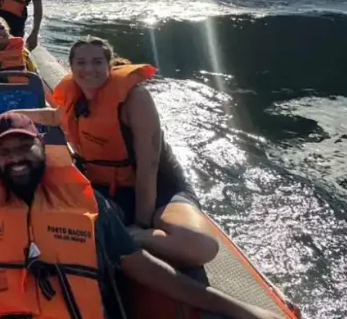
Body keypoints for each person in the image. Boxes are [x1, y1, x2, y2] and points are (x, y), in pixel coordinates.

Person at [0, 113, 283, 319]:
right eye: (4, 152)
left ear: (43, 147)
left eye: (24, 148)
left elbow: (147, 270)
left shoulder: (90, 205)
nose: (15, 159)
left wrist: (237, 308)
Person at [13, 36, 220, 267]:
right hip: (108, 189)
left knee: (201, 246)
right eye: (81, 63)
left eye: (97, 62)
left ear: (109, 66)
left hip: (160, 189)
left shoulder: (135, 98)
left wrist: (142, 224)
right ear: (71, 67)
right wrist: (10, 116)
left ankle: (134, 238)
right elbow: (51, 116)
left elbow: (148, 167)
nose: (89, 69)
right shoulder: (77, 97)